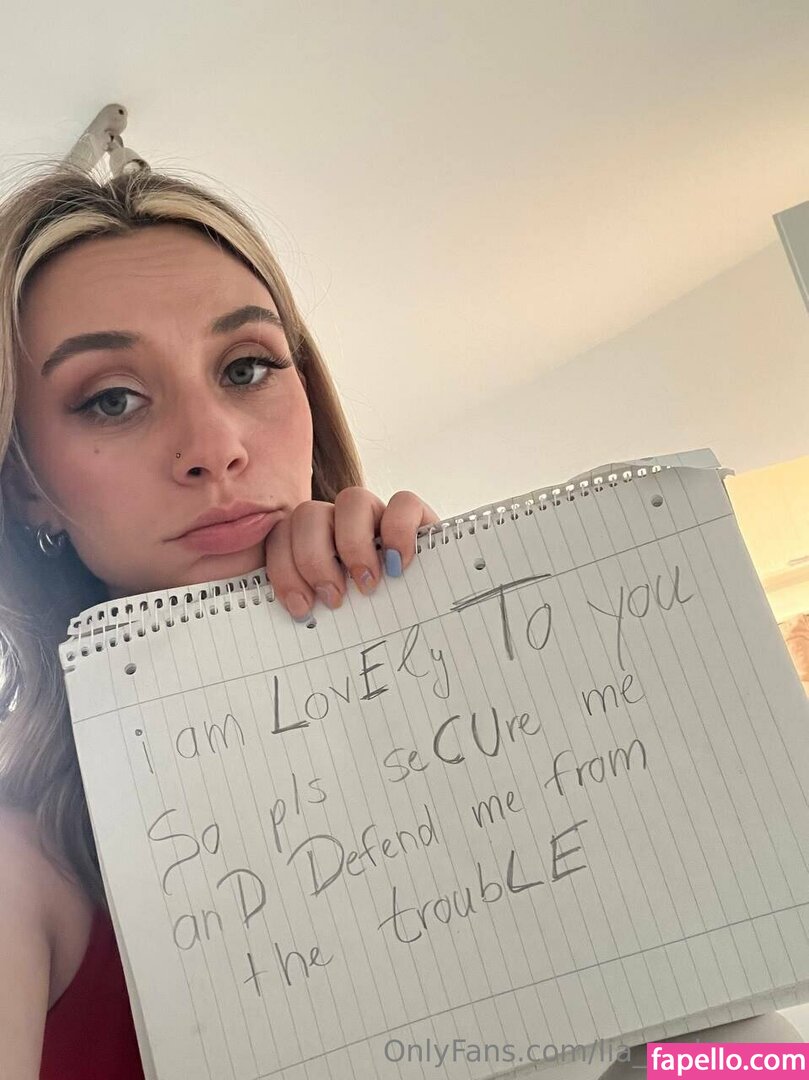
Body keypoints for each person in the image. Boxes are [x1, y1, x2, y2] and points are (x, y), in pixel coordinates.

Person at [0, 163, 801, 1079]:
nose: (215, 447)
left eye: (246, 367)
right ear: (27, 484)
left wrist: (452, 658)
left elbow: (761, 1068)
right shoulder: (24, 862)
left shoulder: (504, 720)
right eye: (111, 398)